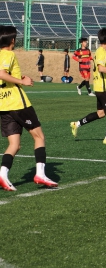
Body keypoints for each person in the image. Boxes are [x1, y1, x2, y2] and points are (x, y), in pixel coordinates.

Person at [0, 26, 58, 191]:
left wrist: (19, 77)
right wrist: (21, 81)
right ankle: (40, 174)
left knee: (15, 144)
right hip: (18, 104)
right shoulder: (8, 54)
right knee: (39, 137)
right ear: (12, 40)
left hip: (3, 105)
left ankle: (2, 174)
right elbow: (1, 73)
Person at [69, 28, 106, 145]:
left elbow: (101, 69)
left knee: (101, 113)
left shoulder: (100, 51)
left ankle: (76, 124)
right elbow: (100, 68)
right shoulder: (102, 52)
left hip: (99, 87)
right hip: (104, 89)